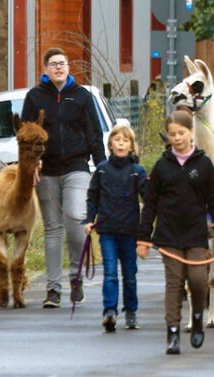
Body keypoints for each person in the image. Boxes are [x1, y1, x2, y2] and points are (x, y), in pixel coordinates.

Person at [137, 110, 214, 355]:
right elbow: (150, 204)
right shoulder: (161, 166)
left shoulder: (203, 165)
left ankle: (199, 317)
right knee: (174, 284)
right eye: (172, 135)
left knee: (199, 280)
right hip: (168, 235)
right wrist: (143, 238)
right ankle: (172, 333)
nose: (177, 138)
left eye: (181, 133)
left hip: (195, 234)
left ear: (191, 133)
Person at [21, 47, 106, 308]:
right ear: (45, 69)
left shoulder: (81, 96)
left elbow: (93, 133)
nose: (59, 67)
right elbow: (26, 133)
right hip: (46, 170)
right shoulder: (35, 97)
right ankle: (53, 290)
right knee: (52, 229)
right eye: (53, 64)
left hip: (76, 166)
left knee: (75, 220)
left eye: (63, 63)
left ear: (69, 68)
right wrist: (30, 164)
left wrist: (102, 167)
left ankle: (76, 277)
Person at [84, 125, 147, 332]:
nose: (121, 143)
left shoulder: (137, 172)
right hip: (107, 231)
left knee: (129, 274)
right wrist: (89, 220)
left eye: (125, 140)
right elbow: (92, 197)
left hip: (130, 232)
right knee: (110, 272)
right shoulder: (102, 170)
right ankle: (109, 311)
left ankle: (131, 312)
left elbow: (149, 199)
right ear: (110, 144)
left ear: (131, 146)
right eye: (117, 140)